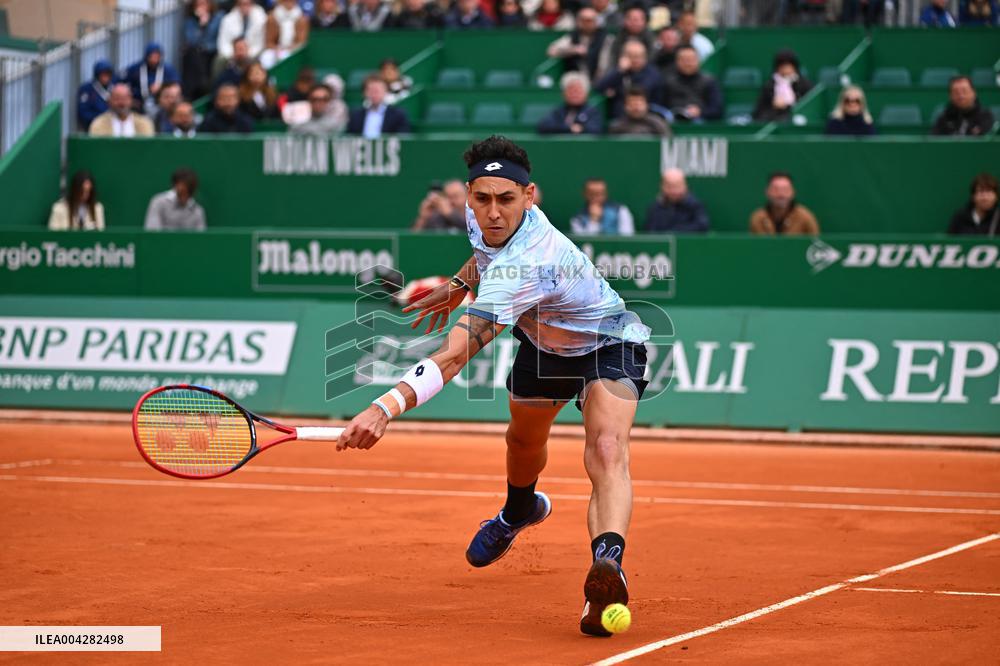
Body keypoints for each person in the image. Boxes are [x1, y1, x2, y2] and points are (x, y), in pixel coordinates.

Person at [337, 135, 651, 638]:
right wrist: (461, 284)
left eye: (506, 199)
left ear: (530, 196)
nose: (493, 212)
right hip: (544, 345)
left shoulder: (528, 263)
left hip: (609, 341)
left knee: (607, 448)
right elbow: (484, 253)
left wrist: (383, 408)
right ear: (469, 195)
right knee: (523, 441)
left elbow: (454, 355)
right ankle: (519, 510)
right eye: (482, 199)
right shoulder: (483, 217)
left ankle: (608, 563)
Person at [594, 38, 663, 119]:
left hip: (646, 117)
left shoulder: (652, 74)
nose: (636, 60)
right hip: (620, 117)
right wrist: (619, 71)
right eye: (631, 56)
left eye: (639, 56)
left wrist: (617, 91)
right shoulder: (619, 72)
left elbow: (639, 92)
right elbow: (599, 87)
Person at [661, 45, 723, 122]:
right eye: (684, 60)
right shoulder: (667, 81)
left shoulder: (709, 81)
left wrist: (700, 112)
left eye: (691, 60)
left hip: (701, 122)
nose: (688, 63)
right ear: (677, 61)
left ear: (698, 61)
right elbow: (660, 107)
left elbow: (716, 109)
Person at [546, 8, 608, 81]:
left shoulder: (605, 38)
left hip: (599, 77)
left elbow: (604, 62)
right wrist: (573, 50)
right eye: (584, 20)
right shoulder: (572, 36)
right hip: (576, 78)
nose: (587, 24)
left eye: (590, 20)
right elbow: (552, 51)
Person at [749, 172, 820, 235]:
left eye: (785, 189)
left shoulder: (805, 217)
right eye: (776, 189)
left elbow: (816, 241)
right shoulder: (758, 218)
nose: (781, 194)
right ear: (767, 191)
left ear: (793, 192)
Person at [752, 50, 813, 123]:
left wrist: (792, 102)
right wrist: (774, 106)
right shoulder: (769, 85)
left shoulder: (804, 84)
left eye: (788, 65)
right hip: (775, 119)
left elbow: (810, 106)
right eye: (782, 65)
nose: (785, 69)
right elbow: (758, 111)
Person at [536, 71, 604, 135]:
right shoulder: (558, 111)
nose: (574, 94)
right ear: (564, 93)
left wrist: (581, 129)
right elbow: (543, 126)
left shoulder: (592, 112)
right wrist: (569, 128)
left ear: (586, 94)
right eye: (571, 91)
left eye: (578, 91)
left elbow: (596, 130)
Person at [644, 168, 709, 233]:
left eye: (677, 186)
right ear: (662, 186)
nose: (674, 191)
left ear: (685, 186)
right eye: (669, 186)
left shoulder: (695, 206)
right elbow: (650, 231)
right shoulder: (656, 207)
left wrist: (675, 231)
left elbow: (702, 225)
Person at [124, 42, 180, 117]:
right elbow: (122, 82)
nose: (154, 60)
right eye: (152, 56)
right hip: (139, 103)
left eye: (157, 56)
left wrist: (161, 87)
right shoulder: (135, 69)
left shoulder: (167, 69)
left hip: (160, 104)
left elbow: (176, 84)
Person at [181, 0, 222, 100]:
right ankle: (197, 90)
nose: (201, 7)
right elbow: (191, 40)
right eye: (198, 4)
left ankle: (198, 91)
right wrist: (201, 26)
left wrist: (207, 25)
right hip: (197, 53)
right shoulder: (190, 21)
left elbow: (218, 40)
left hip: (212, 52)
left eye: (203, 4)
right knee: (192, 55)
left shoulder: (218, 17)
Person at [347, 75, 412, 137]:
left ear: (386, 91)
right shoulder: (355, 115)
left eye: (377, 91)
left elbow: (402, 138)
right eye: (371, 90)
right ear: (364, 93)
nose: (374, 94)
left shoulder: (398, 115)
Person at [569, 178, 635, 235]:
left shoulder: (621, 210)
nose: (596, 197)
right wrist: (594, 220)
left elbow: (627, 237)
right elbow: (585, 242)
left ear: (605, 193)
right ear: (585, 194)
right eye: (592, 194)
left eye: (600, 194)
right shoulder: (577, 219)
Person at [88, 84, 155, 137]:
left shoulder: (145, 123)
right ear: (110, 101)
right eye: (117, 98)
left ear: (131, 100)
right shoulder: (98, 124)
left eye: (125, 98)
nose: (121, 103)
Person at [77, 60, 115, 131]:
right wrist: (103, 118)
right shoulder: (87, 89)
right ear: (97, 75)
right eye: (103, 74)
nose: (105, 77)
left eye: (107, 74)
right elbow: (83, 113)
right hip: (94, 126)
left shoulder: (115, 86)